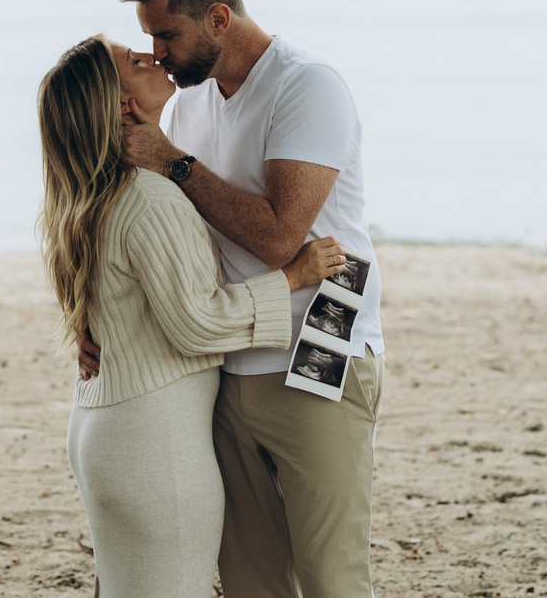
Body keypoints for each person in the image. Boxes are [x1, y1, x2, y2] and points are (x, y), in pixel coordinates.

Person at [119, 0, 386, 598]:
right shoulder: (189, 101)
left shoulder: (306, 86)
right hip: (227, 359)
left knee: (331, 575)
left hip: (321, 339)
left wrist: (172, 162)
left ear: (218, 19)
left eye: (167, 34)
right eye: (149, 37)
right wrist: (102, 324)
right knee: (248, 577)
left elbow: (277, 236)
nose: (157, 52)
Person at [37, 35, 345, 598]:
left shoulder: (91, 194)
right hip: (153, 442)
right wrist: (291, 278)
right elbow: (198, 323)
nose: (153, 56)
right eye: (136, 60)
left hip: (108, 427)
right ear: (123, 104)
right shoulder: (149, 197)